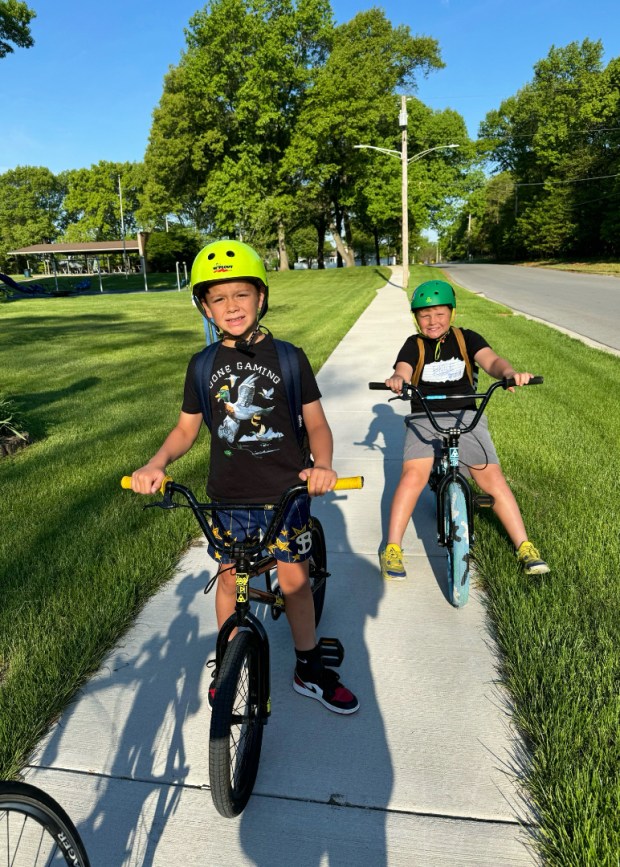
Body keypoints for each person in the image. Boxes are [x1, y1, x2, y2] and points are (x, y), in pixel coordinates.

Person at [129, 239, 358, 714]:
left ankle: (307, 664)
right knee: (230, 577)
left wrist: (322, 465)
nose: (231, 307)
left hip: (285, 493)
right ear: (205, 308)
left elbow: (316, 424)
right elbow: (185, 429)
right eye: (218, 298)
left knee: (293, 579)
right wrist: (157, 463)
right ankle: (227, 658)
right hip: (228, 497)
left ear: (260, 297)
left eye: (241, 294)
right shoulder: (203, 365)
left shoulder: (290, 358)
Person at [379, 278, 549, 582]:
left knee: (492, 477)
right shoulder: (414, 344)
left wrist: (509, 373)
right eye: (425, 315)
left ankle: (525, 546)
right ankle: (392, 546)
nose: (433, 321)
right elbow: (403, 369)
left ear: (452, 314)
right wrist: (398, 380)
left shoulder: (466, 338)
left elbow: (492, 361)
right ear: (416, 318)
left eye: (440, 314)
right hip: (425, 416)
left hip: (465, 415)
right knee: (413, 476)